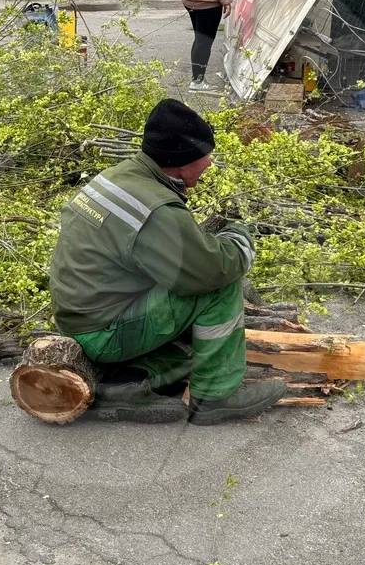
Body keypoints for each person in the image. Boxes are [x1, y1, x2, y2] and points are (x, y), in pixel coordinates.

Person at [48, 98, 287, 425]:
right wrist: (240, 238)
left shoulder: (118, 177)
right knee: (218, 288)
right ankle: (216, 398)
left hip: (79, 316)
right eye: (205, 155)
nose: (210, 163)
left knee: (193, 342)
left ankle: (122, 388)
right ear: (181, 162)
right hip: (103, 332)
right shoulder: (156, 211)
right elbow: (210, 270)